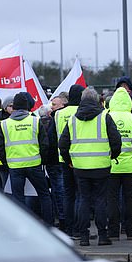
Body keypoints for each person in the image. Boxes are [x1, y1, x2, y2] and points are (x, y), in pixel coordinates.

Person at [59, 87, 122, 246]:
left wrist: (69, 161)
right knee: (101, 200)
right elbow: (116, 140)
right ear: (96, 100)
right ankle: (102, 236)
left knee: (84, 200)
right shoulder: (104, 117)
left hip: (80, 167)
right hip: (101, 165)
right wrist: (112, 155)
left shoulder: (73, 119)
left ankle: (84, 237)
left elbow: (63, 144)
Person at [0, 93, 54, 226]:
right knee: (44, 195)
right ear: (27, 106)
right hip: (35, 165)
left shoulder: (4, 124)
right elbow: (45, 144)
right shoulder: (36, 121)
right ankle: (48, 226)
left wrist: (7, 161)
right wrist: (42, 160)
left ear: (14, 107)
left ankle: (22, 227)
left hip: (15, 167)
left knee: (18, 199)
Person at [106, 87, 132, 240]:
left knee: (112, 199)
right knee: (130, 198)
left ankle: (113, 231)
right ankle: (130, 231)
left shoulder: (107, 117)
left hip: (111, 164)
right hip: (130, 164)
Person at [55, 84, 85, 239]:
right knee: (81, 195)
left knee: (68, 195)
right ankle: (80, 229)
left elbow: (56, 135)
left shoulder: (59, 114)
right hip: (79, 158)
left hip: (63, 158)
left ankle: (69, 229)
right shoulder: (82, 112)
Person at [39, 103, 65, 229]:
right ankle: (63, 218)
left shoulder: (39, 123)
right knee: (62, 189)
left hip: (48, 162)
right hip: (59, 160)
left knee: (54, 190)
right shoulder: (53, 122)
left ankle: (58, 216)